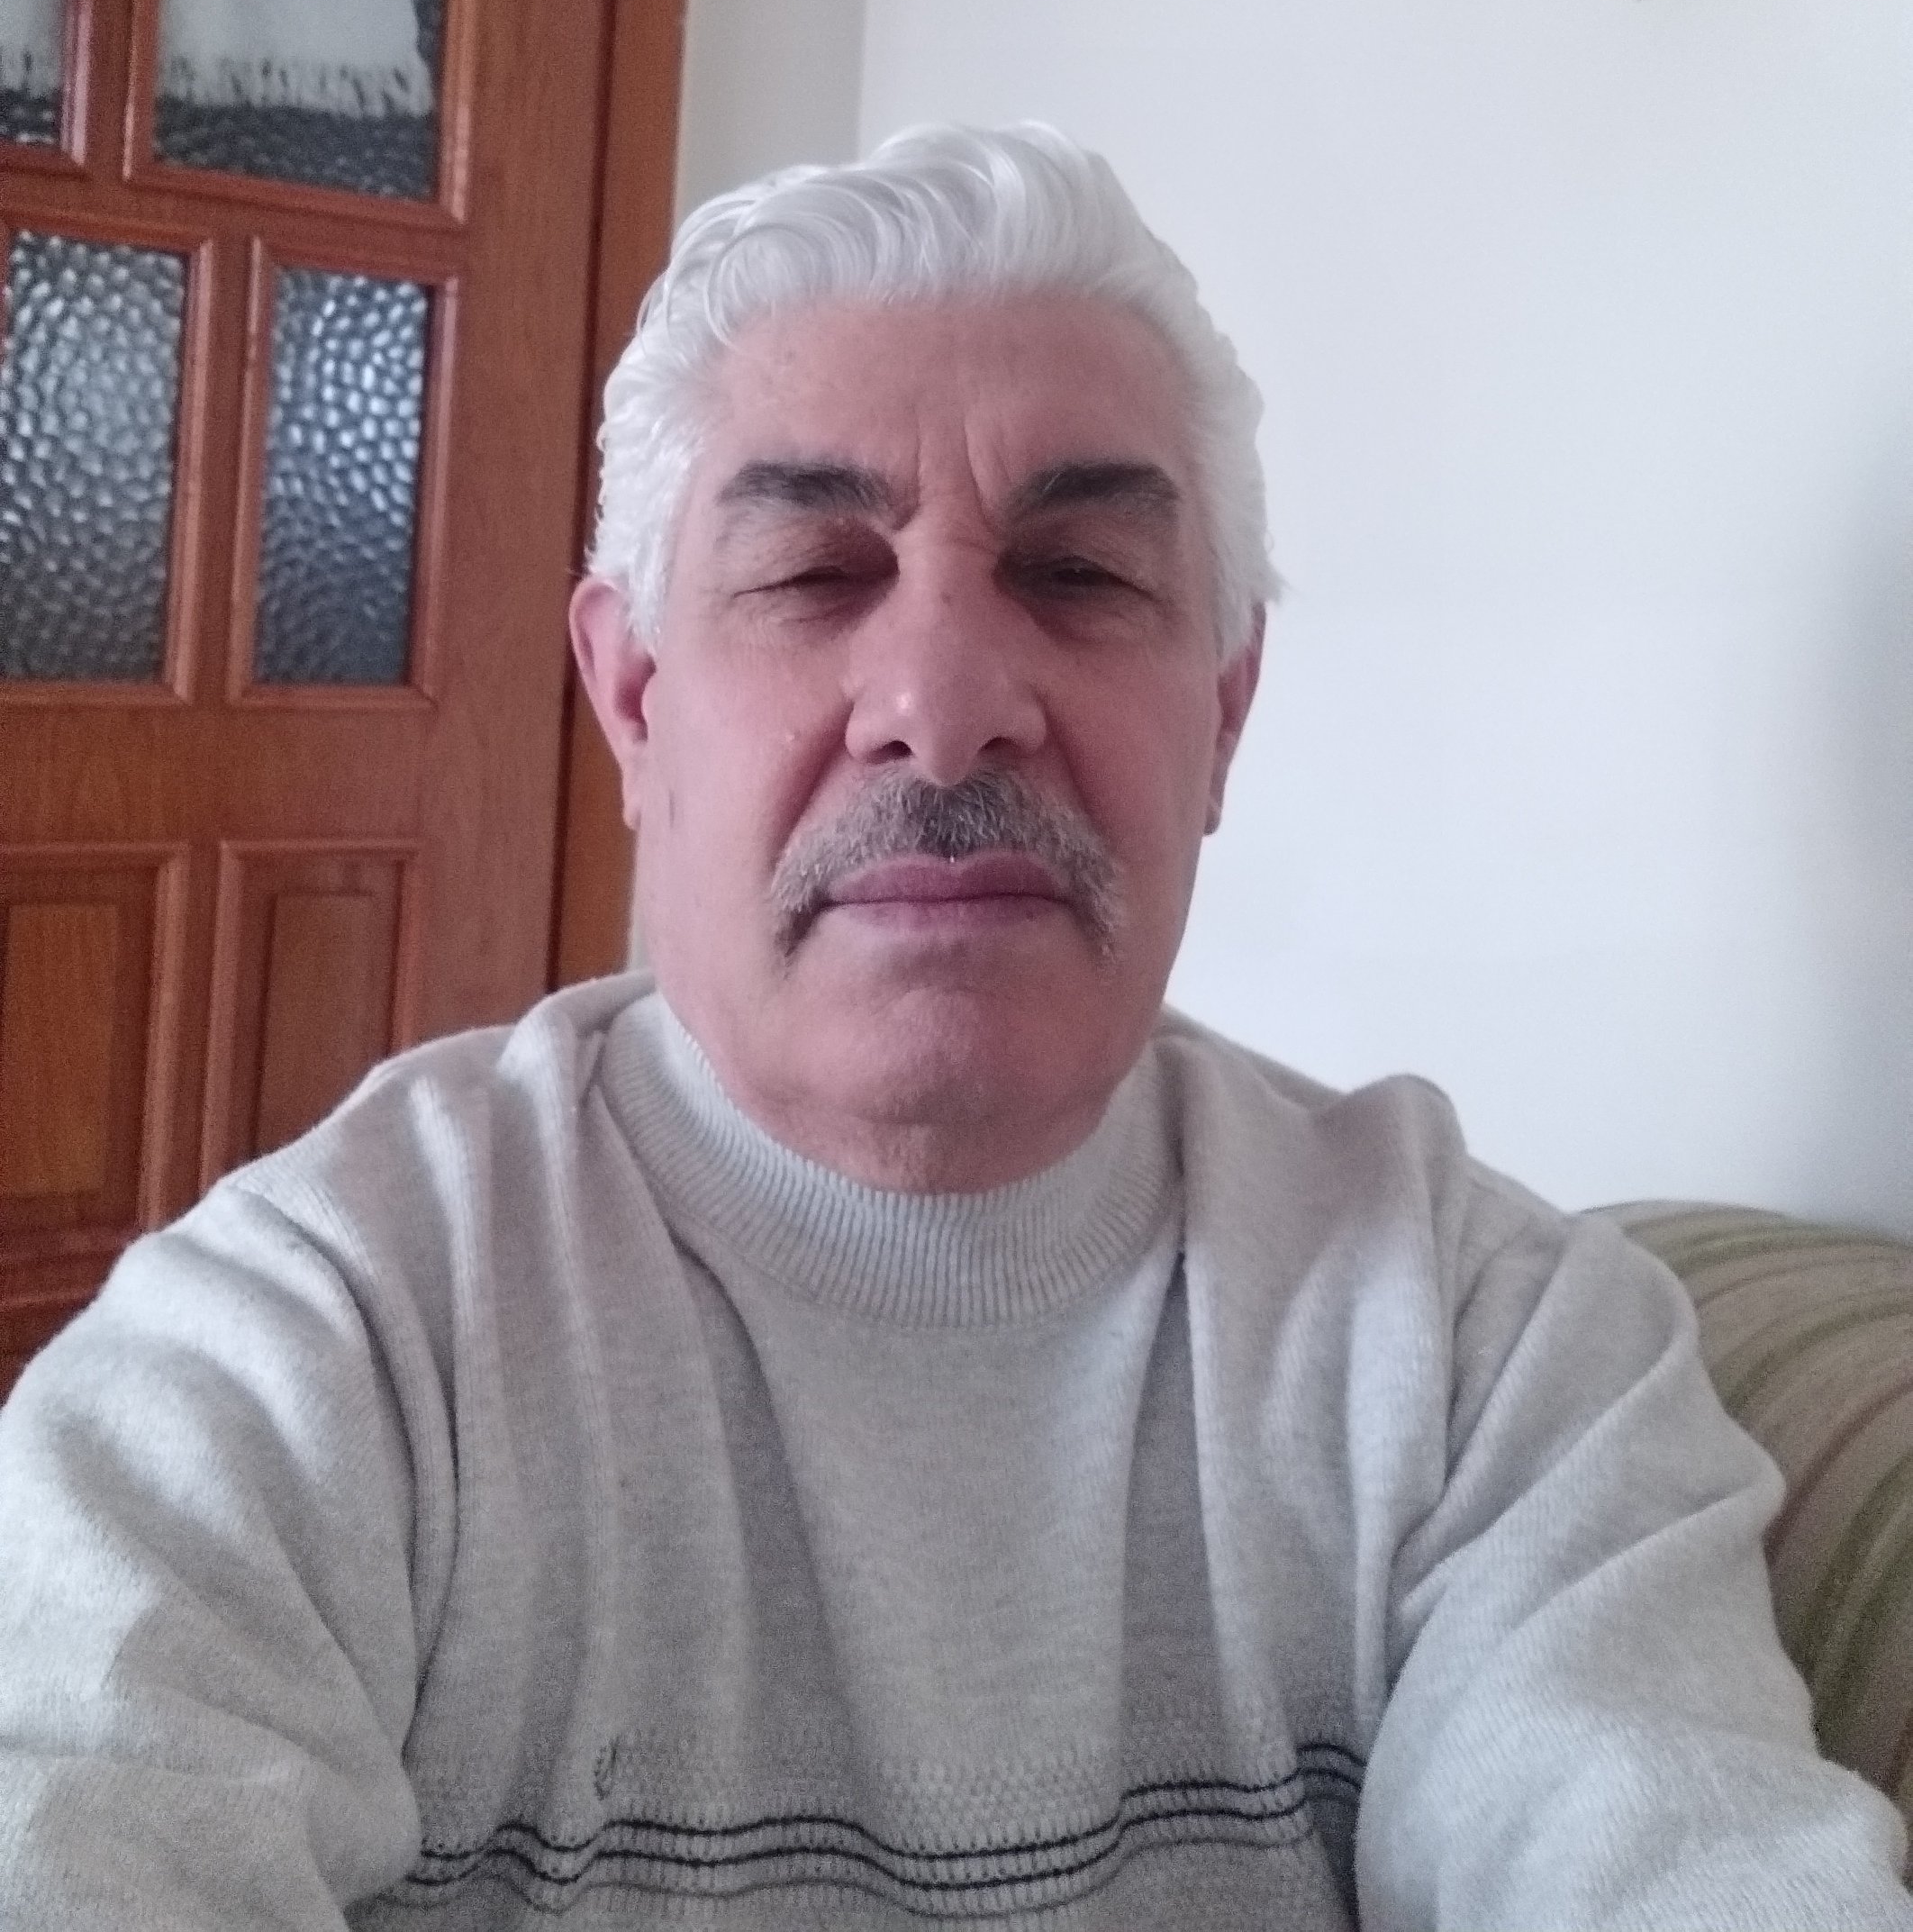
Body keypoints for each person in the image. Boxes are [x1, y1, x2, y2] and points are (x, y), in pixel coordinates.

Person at [0, 123, 1908, 1932]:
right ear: (636, 699)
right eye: (812, 577)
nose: (942, 700)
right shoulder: (313, 1347)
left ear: (1223, 716)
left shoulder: (1494, 1353)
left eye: (1080, 578)